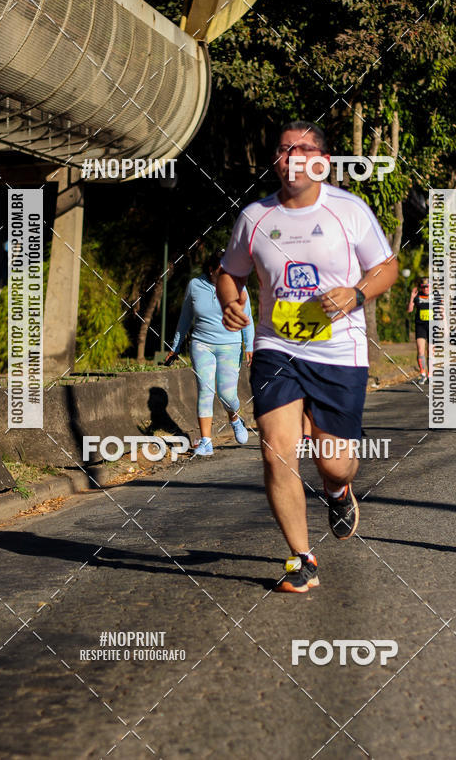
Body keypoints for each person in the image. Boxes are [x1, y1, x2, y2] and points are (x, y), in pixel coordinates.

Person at [217, 120, 397, 593]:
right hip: (278, 348)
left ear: (323, 161)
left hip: (339, 350)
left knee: (334, 462)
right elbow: (229, 274)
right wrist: (230, 304)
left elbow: (387, 268)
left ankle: (338, 492)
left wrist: (356, 294)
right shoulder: (254, 217)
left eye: (304, 149)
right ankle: (302, 559)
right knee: (277, 453)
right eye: (283, 149)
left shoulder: (348, 210)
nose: (292, 156)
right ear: (275, 161)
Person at [165, 250, 254, 456]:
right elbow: (185, 318)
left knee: (226, 394)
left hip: (230, 345)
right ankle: (206, 441)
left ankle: (234, 417)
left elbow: (246, 318)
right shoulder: (195, 285)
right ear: (211, 270)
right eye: (222, 272)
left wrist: (249, 346)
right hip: (201, 344)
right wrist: (176, 347)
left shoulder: (239, 286)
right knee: (205, 390)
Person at [407, 276, 432, 384]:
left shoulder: (436, 297)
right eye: (423, 287)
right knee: (420, 350)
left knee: (431, 352)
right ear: (421, 287)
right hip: (420, 326)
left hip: (433, 327)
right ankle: (422, 374)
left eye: (427, 286)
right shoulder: (417, 297)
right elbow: (409, 310)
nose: (426, 289)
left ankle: (430, 374)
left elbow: (442, 312)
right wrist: (412, 297)